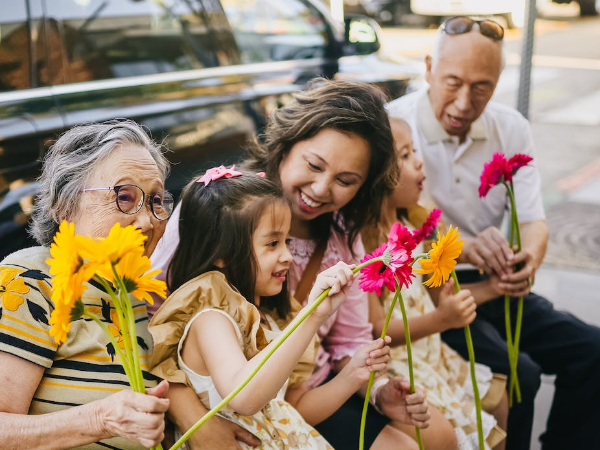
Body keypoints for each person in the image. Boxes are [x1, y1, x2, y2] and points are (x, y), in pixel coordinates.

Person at [150, 78, 433, 450]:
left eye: (345, 180)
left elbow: (341, 346)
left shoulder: (341, 237)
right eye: (313, 165)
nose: (320, 188)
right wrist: (190, 418)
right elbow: (152, 321)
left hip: (298, 400)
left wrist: (377, 390)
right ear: (286, 146)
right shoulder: (220, 211)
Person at [387, 16, 600, 450]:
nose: (465, 102)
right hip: (430, 291)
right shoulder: (393, 128)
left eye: (481, 86)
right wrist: (464, 250)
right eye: (452, 82)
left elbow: (533, 220)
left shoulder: (511, 127)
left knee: (592, 351)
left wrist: (527, 262)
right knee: (519, 374)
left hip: (494, 286)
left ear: (499, 80)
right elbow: (394, 226)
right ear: (428, 68)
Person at [149, 167, 396, 449]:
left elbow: (292, 411)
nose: (287, 256)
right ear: (221, 253)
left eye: (287, 241)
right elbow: (244, 397)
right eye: (273, 243)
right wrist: (312, 317)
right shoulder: (211, 320)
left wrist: (352, 375)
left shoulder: (270, 319)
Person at [0, 121, 172, 449]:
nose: (148, 220)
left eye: (156, 201)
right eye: (124, 196)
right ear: (67, 205)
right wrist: (100, 420)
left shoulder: (135, 294)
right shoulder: (28, 281)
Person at [362, 117, 508, 450]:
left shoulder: (412, 225)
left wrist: (493, 288)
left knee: (499, 403)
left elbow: (432, 293)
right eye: (404, 155)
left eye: (415, 151)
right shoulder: (367, 245)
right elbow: (375, 329)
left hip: (431, 353)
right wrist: (442, 319)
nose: (418, 161)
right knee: (463, 434)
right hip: (406, 363)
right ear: (378, 175)